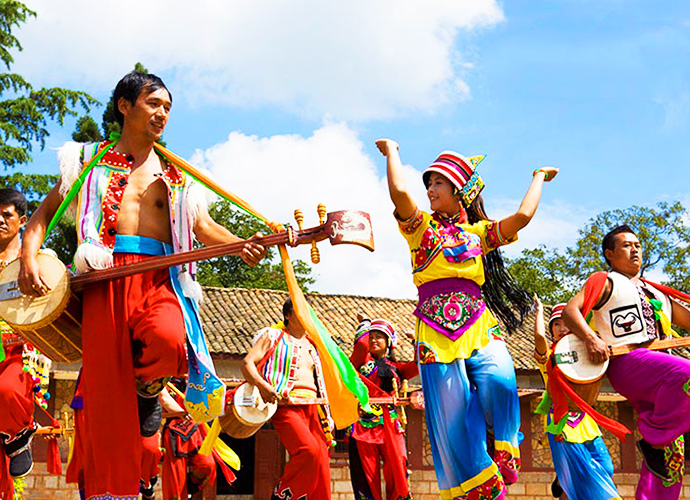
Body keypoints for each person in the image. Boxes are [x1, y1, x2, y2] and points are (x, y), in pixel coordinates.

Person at [17, 71, 266, 500]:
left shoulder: (176, 172)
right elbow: (40, 217)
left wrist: (242, 245)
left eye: (168, 107)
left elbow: (203, 226)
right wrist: (27, 259)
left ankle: (149, 390)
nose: (162, 113)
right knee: (106, 396)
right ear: (124, 106)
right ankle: (111, 492)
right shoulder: (87, 162)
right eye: (154, 104)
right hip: (102, 279)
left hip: (160, 275)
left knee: (170, 340)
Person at [377, 139, 557, 499]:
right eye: (428, 183)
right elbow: (398, 190)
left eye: (437, 183)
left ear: (459, 190)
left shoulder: (478, 234)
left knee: (502, 381)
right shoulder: (419, 230)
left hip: (477, 322)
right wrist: (392, 151)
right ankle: (478, 483)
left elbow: (521, 217)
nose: (429, 189)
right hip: (433, 329)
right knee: (453, 413)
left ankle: (503, 443)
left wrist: (538, 177)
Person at [562, 225, 690, 500]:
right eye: (627, 246)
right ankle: (656, 437)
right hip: (630, 363)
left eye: (638, 246)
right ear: (609, 254)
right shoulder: (605, 281)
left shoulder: (657, 293)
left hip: (663, 374)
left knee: (671, 461)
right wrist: (589, 338)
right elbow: (571, 311)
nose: (635, 250)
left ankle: (657, 454)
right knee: (688, 375)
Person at [241, 298, 332, 500]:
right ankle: (282, 497)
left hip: (314, 408)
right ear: (288, 316)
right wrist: (263, 386)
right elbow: (247, 363)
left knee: (322, 463)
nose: (304, 315)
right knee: (309, 452)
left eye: (307, 311)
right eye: (298, 311)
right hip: (285, 405)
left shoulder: (314, 345)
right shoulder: (273, 335)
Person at [533, 297, 620, 500]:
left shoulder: (588, 355)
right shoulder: (550, 358)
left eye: (566, 322)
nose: (562, 328)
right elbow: (538, 337)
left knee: (605, 467)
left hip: (586, 420)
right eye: (556, 324)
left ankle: (563, 482)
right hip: (562, 422)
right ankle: (566, 481)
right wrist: (538, 311)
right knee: (582, 472)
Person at [348, 316, 418, 500]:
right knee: (366, 473)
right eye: (371, 336)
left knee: (399, 465)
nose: (373, 340)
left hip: (391, 423)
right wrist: (365, 325)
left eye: (379, 336)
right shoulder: (359, 362)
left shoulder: (397, 367)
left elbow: (421, 364)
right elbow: (361, 346)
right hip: (364, 424)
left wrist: (415, 341)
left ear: (389, 342)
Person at [0, 188, 35, 496]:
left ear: (22, 221)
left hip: (18, 350)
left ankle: (18, 435)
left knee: (7, 390)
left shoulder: (35, 258)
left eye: (6, 214)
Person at [159, 383, 218, 500]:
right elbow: (164, 398)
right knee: (175, 486)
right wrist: (182, 413)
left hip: (196, 431)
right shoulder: (165, 381)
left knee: (207, 465)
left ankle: (190, 487)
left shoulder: (198, 380)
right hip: (173, 434)